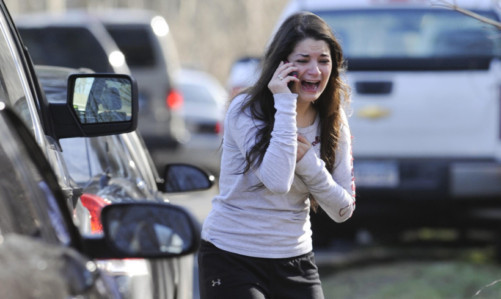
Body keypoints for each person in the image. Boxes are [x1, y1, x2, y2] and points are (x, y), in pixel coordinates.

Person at [198, 11, 356, 299]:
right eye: (302, 60)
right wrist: (285, 102)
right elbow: (277, 181)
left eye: (323, 61)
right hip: (231, 255)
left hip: (295, 259)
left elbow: (343, 210)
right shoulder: (245, 110)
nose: (314, 71)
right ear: (281, 65)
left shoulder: (334, 120)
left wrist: (310, 164)